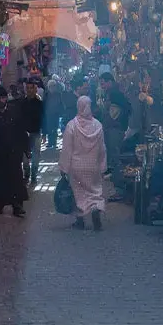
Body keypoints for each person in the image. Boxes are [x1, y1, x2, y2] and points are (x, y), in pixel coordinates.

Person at [60, 96, 108, 230]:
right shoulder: (98, 125)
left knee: (78, 192)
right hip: (93, 165)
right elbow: (102, 148)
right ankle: (95, 208)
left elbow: (67, 149)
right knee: (94, 191)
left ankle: (80, 220)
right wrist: (103, 166)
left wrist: (64, 167)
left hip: (76, 167)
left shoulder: (72, 125)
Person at [0, 86, 29, 217]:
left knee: (16, 179)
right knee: (0, 179)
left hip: (14, 152)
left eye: (3, 98)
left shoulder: (14, 112)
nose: (1, 100)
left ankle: (17, 206)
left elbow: (21, 131)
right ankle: (0, 203)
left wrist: (26, 149)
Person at [94, 72, 131, 177]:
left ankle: (116, 175)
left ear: (109, 82)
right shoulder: (112, 91)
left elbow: (114, 113)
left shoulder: (114, 93)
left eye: (103, 83)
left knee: (114, 151)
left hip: (115, 127)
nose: (102, 86)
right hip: (114, 127)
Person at [20, 80, 45, 185]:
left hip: (36, 133)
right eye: (28, 88)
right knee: (25, 159)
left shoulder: (40, 103)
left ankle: (34, 177)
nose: (29, 90)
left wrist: (45, 133)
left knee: (35, 157)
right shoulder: (22, 103)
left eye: (31, 88)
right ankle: (27, 175)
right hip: (24, 134)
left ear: (35, 89)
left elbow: (44, 118)